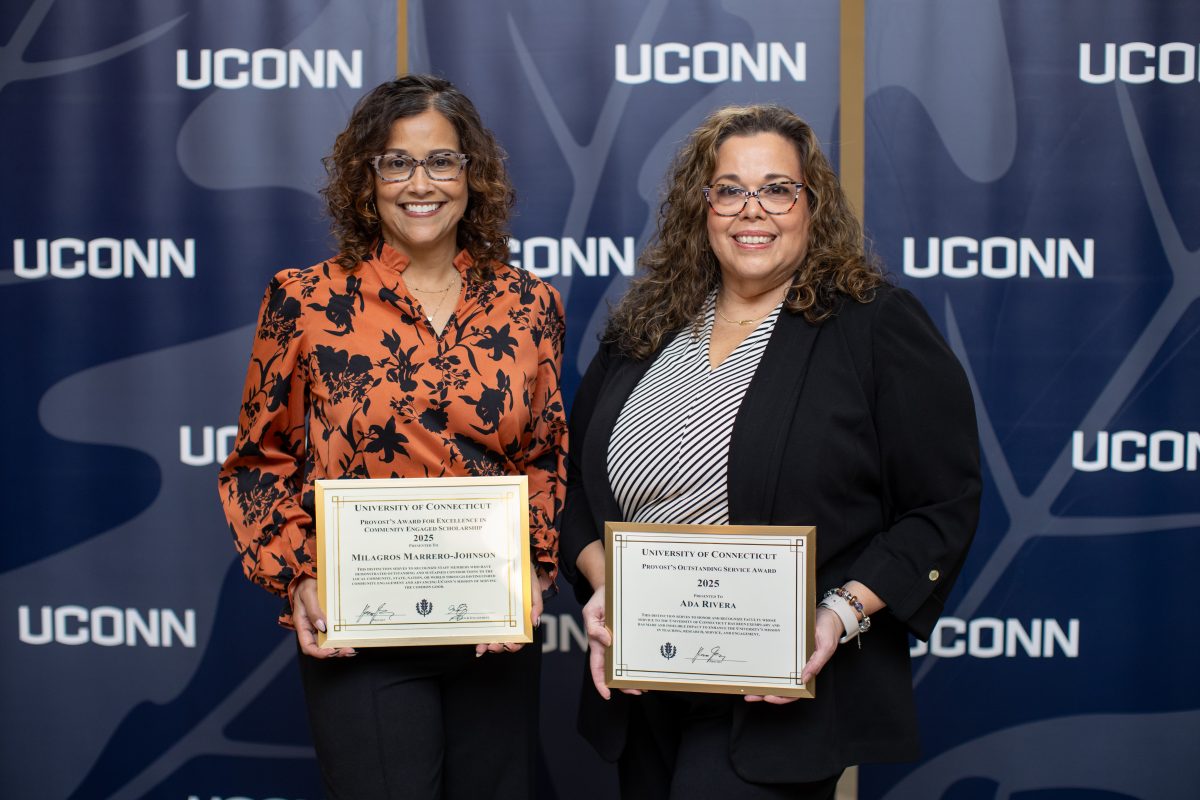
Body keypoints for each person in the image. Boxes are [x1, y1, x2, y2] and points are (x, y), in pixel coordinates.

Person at [560, 104, 980, 799]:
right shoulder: (644, 330)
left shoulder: (872, 325)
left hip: (781, 694)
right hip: (647, 686)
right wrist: (607, 581)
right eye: (728, 189)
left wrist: (837, 614)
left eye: (777, 188)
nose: (751, 210)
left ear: (812, 204)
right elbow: (575, 486)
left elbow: (942, 507)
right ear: (702, 207)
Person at [217, 74, 566, 800]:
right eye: (396, 162)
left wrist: (532, 570)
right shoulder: (305, 300)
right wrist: (302, 576)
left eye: (442, 161)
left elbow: (544, 454)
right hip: (362, 637)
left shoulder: (530, 303)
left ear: (473, 175)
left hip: (490, 636)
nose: (421, 183)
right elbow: (258, 462)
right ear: (364, 178)